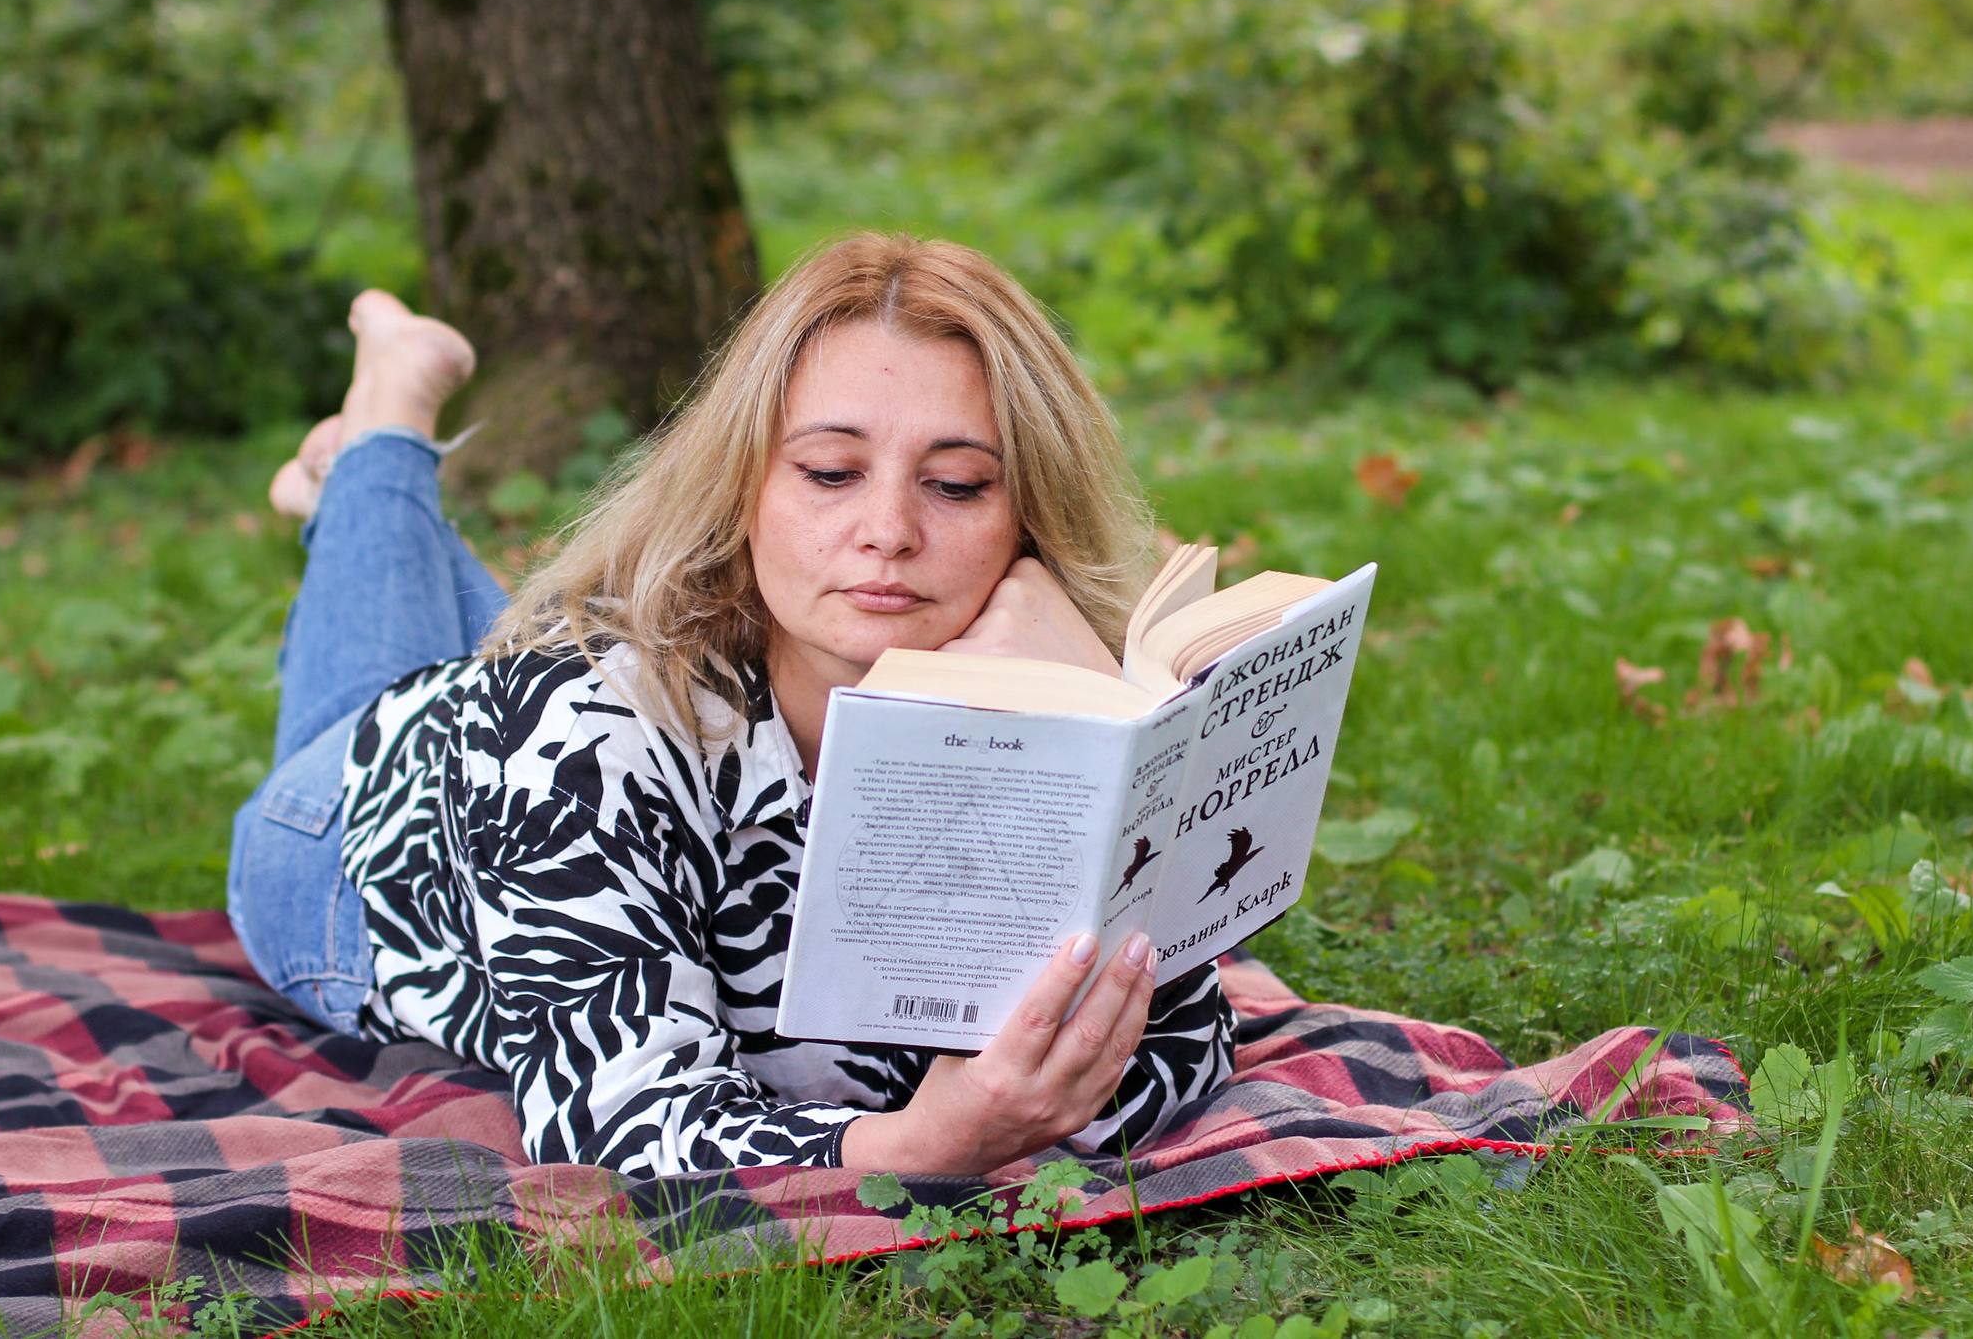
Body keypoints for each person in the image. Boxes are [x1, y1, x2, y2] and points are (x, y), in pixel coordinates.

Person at [230, 235, 1233, 1181]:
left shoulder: (1055, 708)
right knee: (399, 658)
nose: (887, 530)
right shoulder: (579, 737)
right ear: (742, 480)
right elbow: (619, 1124)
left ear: (1029, 513)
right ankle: (383, 424)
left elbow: (1175, 1052)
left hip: (519, 737)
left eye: (958, 484)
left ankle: (355, 480)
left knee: (495, 626)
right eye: (830, 472)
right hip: (339, 849)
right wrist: (925, 1141)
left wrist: (1092, 710)